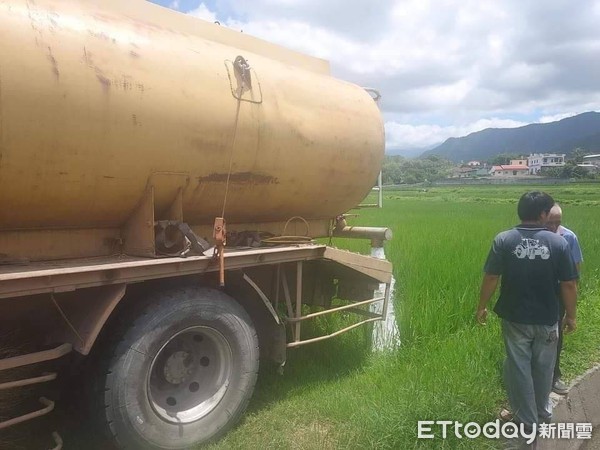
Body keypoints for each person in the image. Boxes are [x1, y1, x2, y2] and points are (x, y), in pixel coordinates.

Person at [476, 191, 578, 430]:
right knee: (544, 367)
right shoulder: (558, 242)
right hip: (547, 318)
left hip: (515, 318)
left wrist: (481, 307)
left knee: (519, 366)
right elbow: (569, 284)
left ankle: (526, 417)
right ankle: (542, 412)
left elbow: (491, 276)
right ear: (543, 214)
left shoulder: (504, 240)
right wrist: (571, 315)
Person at [546, 204, 583, 395]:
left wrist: (571, 311)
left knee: (555, 336)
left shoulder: (569, 237)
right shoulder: (535, 238)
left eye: (557, 222)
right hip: (537, 293)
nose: (553, 227)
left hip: (559, 293)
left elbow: (574, 275)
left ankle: (554, 376)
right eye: (549, 222)